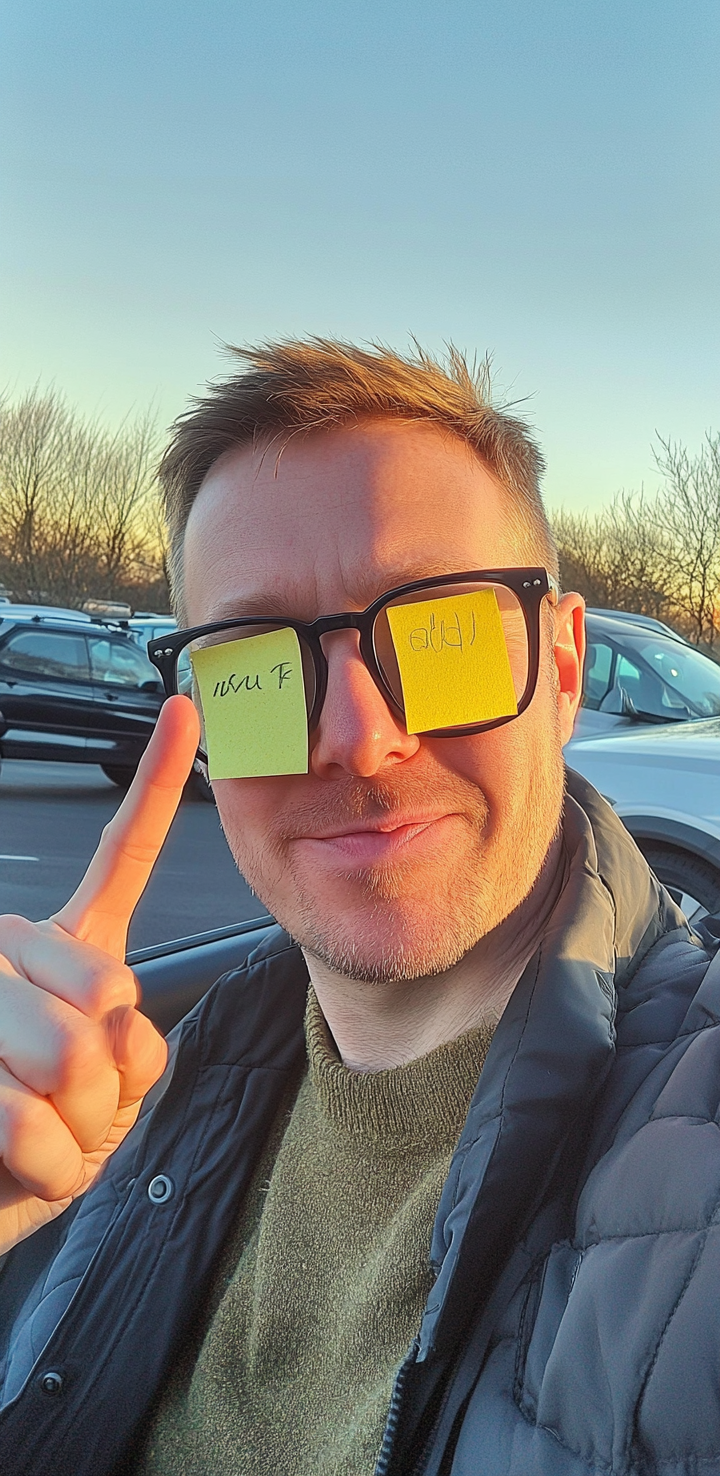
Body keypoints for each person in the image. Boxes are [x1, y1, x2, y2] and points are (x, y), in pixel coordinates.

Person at [0, 340, 718, 1476]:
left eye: (442, 635)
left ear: (566, 666)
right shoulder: (120, 1103)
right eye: (254, 664)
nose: (359, 736)